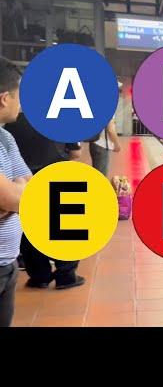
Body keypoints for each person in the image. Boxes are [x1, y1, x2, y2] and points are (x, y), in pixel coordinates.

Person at [4, 112, 85, 290]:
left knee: (30, 228)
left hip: (24, 179)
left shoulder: (12, 119)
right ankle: (66, 275)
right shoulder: (65, 117)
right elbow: (76, 153)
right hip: (55, 172)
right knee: (65, 226)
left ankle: (40, 275)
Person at [0, 57, 33, 327]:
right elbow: (13, 197)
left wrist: (13, 196)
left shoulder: (6, 137)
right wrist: (13, 196)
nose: (21, 105)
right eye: (18, 97)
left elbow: (28, 188)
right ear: (3, 99)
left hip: (8, 263)